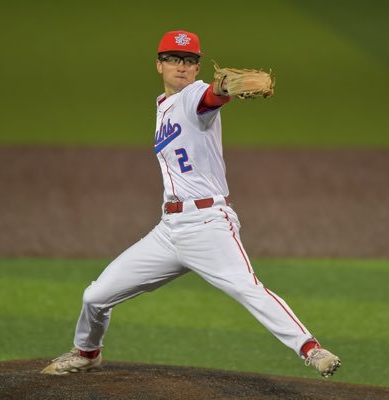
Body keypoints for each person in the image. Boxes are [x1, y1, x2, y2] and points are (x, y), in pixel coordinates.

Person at [41, 30, 341, 378]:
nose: (181, 67)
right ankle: (87, 352)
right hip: (168, 232)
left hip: (209, 225)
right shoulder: (162, 106)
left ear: (198, 68)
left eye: (189, 60)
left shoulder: (192, 95)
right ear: (159, 65)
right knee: (95, 296)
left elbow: (210, 98)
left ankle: (310, 348)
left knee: (246, 287)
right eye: (173, 59)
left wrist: (222, 90)